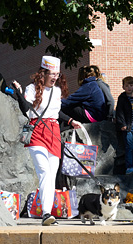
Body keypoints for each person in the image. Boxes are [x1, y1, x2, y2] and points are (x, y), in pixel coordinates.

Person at [13, 55, 82, 226]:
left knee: (51, 175)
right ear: (42, 73)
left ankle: (48, 213)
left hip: (54, 132)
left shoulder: (57, 92)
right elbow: (25, 110)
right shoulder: (31, 89)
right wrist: (19, 93)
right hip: (36, 131)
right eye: (52, 74)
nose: (55, 77)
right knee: (44, 171)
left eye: (57, 74)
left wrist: (71, 121)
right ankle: (45, 213)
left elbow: (56, 113)